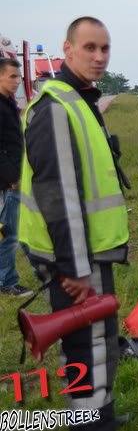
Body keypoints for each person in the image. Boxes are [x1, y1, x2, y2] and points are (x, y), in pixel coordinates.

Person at [19, 16, 129, 430]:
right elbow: (57, 196)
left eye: (105, 49)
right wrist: (74, 269)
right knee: (87, 346)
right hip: (78, 257)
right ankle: (89, 421)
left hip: (91, 250)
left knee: (100, 340)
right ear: (67, 50)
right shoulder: (56, 107)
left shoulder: (79, 98)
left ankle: (103, 413)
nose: (99, 57)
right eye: (90, 48)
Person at [0, 56, 32, 297]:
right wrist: (13, 177)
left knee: (23, 229)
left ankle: (43, 270)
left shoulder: (8, 102)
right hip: (9, 181)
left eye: (18, 77)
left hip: (15, 178)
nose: (16, 81)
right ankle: (6, 281)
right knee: (9, 233)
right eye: (11, 76)